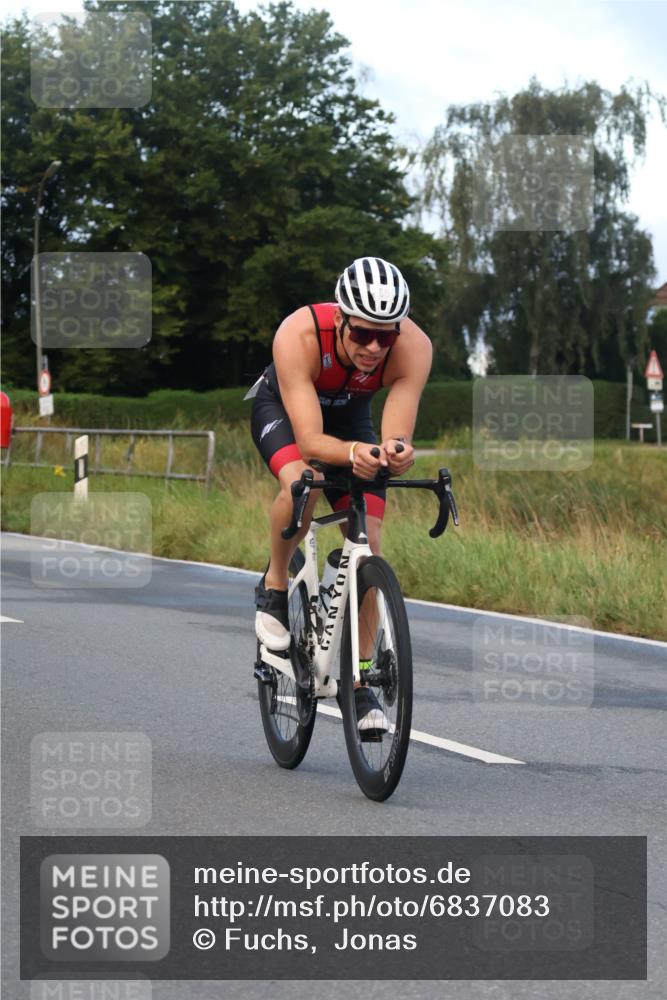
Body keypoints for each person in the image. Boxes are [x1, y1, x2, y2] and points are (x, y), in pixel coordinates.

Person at [250, 256, 432, 735]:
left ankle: (361, 680)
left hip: (352, 419)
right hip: (288, 416)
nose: (374, 347)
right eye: (363, 334)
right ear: (340, 319)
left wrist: (393, 451)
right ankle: (273, 587)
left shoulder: (414, 347)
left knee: (368, 540)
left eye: (386, 336)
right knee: (303, 484)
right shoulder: (300, 334)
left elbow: (395, 430)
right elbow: (310, 440)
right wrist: (353, 452)